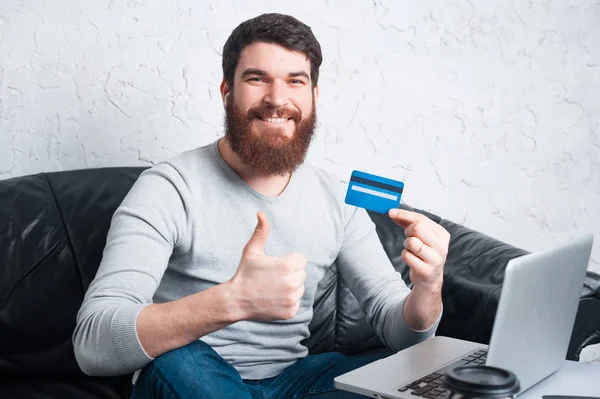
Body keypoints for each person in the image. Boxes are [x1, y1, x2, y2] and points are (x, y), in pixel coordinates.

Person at [73, 13, 450, 399]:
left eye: (295, 81)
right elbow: (93, 343)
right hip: (193, 377)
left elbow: (399, 329)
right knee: (178, 363)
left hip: (296, 381)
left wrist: (428, 287)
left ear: (313, 97)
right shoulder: (170, 187)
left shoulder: (336, 198)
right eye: (257, 78)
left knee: (419, 377)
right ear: (227, 91)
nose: (277, 99)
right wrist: (230, 301)